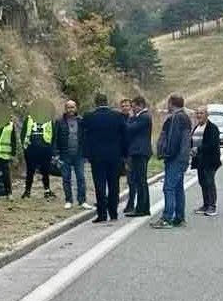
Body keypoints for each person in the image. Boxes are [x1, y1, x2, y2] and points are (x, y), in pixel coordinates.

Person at [81, 94, 128, 222]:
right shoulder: (117, 116)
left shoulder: (89, 116)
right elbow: (124, 136)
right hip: (114, 155)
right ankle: (113, 212)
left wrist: (86, 153)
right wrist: (124, 154)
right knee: (114, 184)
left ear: (95, 103)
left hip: (97, 156)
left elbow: (83, 135)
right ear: (107, 102)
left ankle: (102, 214)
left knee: (99, 184)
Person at [152, 93, 193, 229]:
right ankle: (179, 218)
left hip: (175, 158)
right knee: (178, 188)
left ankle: (167, 218)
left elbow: (177, 140)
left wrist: (169, 154)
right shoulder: (184, 117)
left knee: (169, 188)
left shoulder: (177, 118)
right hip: (180, 158)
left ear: (171, 103)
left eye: (168, 103)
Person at [53, 100, 90, 210]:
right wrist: (55, 153)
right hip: (65, 154)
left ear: (76, 108)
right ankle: (68, 200)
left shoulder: (81, 121)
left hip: (79, 154)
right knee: (66, 178)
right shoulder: (59, 122)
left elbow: (85, 137)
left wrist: (87, 152)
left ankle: (82, 201)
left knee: (81, 178)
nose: (70, 110)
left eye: (72, 107)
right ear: (65, 109)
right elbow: (55, 138)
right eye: (68, 107)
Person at [123, 96, 153, 217]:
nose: (132, 109)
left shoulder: (144, 117)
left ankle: (141, 208)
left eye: (134, 106)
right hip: (138, 151)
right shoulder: (141, 117)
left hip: (140, 151)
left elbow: (130, 129)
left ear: (140, 105)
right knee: (140, 181)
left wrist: (130, 118)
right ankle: (144, 207)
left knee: (140, 181)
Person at [191, 106, 223, 217]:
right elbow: (193, 141)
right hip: (199, 160)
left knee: (209, 182)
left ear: (207, 115)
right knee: (202, 182)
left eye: (201, 113)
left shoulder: (212, 128)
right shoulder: (197, 127)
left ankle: (212, 206)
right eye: (197, 113)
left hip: (210, 161)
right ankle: (205, 205)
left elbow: (212, 144)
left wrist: (198, 149)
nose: (199, 115)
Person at [20, 113, 55, 199]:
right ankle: (27, 191)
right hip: (31, 149)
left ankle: (47, 190)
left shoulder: (48, 119)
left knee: (45, 171)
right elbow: (23, 133)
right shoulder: (29, 119)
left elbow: (53, 134)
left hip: (45, 149)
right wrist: (25, 147)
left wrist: (51, 149)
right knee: (30, 171)